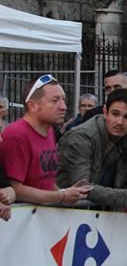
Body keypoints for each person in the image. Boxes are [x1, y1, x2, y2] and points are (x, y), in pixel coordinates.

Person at [0, 75, 91, 206]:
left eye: (63, 100)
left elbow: (44, 181)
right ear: (32, 106)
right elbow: (16, 189)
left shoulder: (49, 130)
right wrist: (61, 196)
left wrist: (65, 193)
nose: (63, 106)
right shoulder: (17, 135)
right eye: (55, 101)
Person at [56, 88, 127, 211]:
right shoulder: (81, 137)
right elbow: (82, 186)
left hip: (100, 216)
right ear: (105, 112)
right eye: (115, 114)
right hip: (61, 213)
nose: (120, 122)